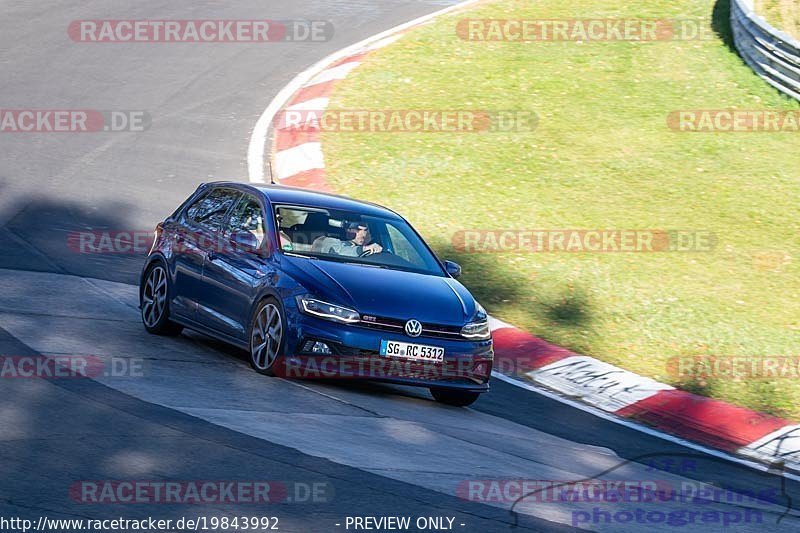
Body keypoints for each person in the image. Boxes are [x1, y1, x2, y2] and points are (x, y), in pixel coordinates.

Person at [312, 222, 383, 257]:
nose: (353, 231)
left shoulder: (375, 252)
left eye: (363, 230)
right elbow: (340, 252)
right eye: (351, 229)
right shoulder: (327, 241)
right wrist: (364, 249)